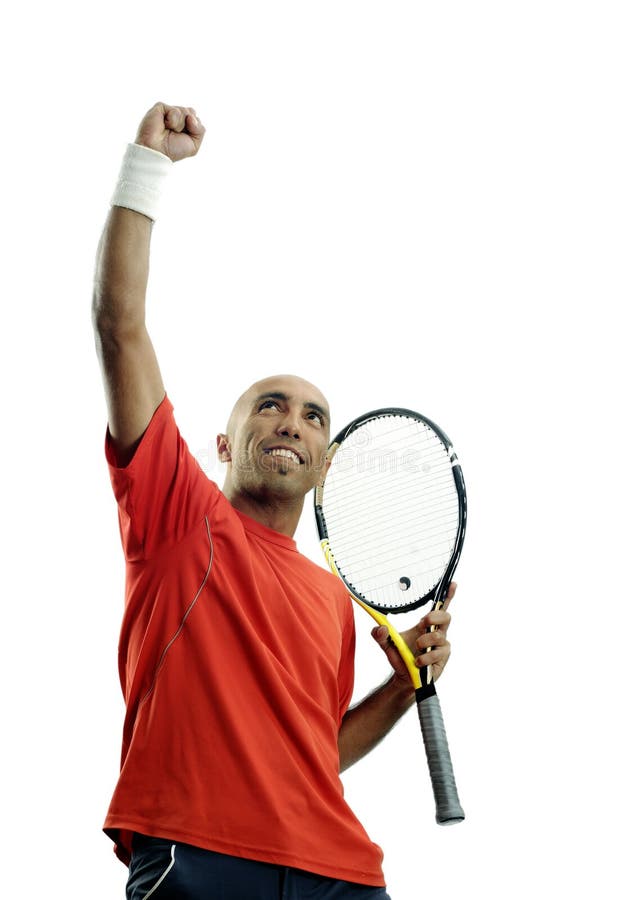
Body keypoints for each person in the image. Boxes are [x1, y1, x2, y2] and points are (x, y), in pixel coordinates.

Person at [93, 102, 456, 900]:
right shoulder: (178, 512)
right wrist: (147, 166)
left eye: (313, 417)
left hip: (342, 874)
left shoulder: (330, 601)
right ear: (223, 445)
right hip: (200, 857)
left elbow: (312, 753)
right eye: (269, 405)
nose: (291, 421)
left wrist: (400, 688)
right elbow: (120, 327)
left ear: (327, 465)